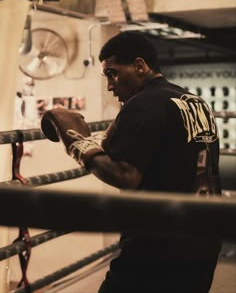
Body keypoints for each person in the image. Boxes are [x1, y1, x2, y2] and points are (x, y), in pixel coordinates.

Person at [41, 31, 222, 293]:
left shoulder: (143, 104)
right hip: (203, 239)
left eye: (113, 74)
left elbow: (125, 176)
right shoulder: (194, 102)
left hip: (158, 244)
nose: (110, 85)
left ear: (139, 66)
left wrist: (80, 144)